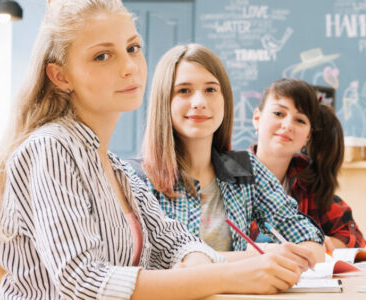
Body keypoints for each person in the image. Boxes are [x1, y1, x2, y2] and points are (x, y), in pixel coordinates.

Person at [0, 1, 306, 298]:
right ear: (61, 76)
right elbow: (82, 279)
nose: (129, 67)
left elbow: (176, 242)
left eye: (133, 48)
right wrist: (227, 275)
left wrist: (202, 264)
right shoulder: (51, 148)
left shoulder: (116, 169)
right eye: (103, 56)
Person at [133, 44, 325, 265]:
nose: (199, 103)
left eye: (211, 90)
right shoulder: (135, 178)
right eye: (184, 90)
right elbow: (158, 265)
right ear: (164, 100)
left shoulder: (244, 168)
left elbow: (308, 242)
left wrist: (304, 250)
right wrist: (254, 256)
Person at [250, 78, 366, 251]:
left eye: (300, 120)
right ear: (257, 118)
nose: (287, 125)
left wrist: (328, 244)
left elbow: (354, 237)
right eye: (278, 113)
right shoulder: (227, 174)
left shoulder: (308, 183)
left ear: (308, 136)